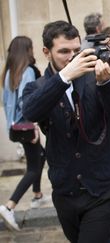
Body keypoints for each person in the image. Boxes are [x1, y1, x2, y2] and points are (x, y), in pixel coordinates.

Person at [21, 20, 110, 242]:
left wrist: (106, 84)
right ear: (47, 52)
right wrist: (64, 77)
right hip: (65, 191)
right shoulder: (38, 87)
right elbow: (31, 112)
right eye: (64, 51)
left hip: (101, 188)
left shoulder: (95, 77)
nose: (72, 56)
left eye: (76, 50)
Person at [0, 36, 49, 231]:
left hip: (16, 127)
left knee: (40, 156)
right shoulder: (28, 71)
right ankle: (9, 206)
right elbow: (26, 102)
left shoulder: (10, 72)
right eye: (31, 47)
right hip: (26, 126)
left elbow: (7, 103)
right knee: (33, 168)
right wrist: (34, 125)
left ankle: (37, 195)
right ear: (26, 50)